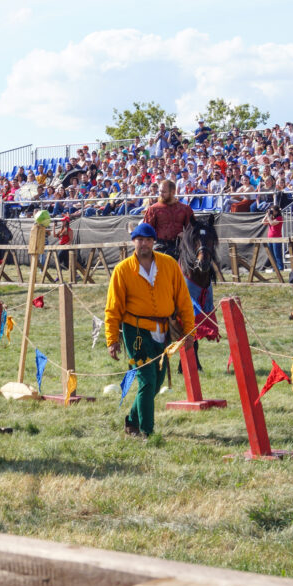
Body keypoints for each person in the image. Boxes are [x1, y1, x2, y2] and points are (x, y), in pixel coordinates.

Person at [104, 223, 194, 439]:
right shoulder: (122, 270)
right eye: (139, 239)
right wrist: (112, 338)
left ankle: (132, 420)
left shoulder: (169, 264)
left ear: (154, 242)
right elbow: (113, 307)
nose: (143, 243)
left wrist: (189, 331)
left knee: (157, 382)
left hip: (163, 331)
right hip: (135, 331)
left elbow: (183, 299)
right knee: (147, 378)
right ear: (133, 241)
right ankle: (147, 432)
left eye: (147, 239)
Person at [143, 179, 194, 258]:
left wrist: (185, 235)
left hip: (179, 247)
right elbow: (146, 230)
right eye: (160, 191)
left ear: (173, 192)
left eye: (163, 192)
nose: (160, 194)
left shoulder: (185, 209)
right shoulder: (153, 209)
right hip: (159, 247)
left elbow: (192, 229)